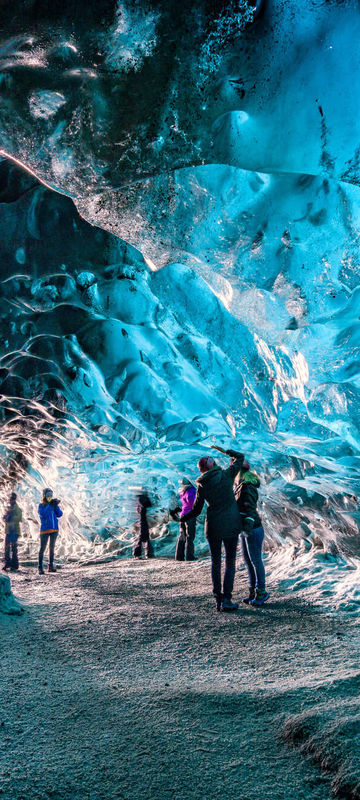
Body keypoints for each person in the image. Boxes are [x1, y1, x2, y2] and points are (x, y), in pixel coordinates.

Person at [180, 450, 244, 612]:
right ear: (209, 465)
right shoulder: (226, 475)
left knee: (216, 562)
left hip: (213, 526)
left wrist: (182, 518)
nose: (212, 458)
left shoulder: (202, 484)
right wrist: (227, 452)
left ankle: (218, 600)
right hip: (230, 524)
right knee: (230, 561)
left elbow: (196, 509)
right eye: (209, 458)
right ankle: (227, 599)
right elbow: (240, 457)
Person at [234, 461, 269, 606]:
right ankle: (253, 592)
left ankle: (261, 592)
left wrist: (247, 526)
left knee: (255, 561)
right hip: (246, 528)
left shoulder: (248, 486)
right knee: (248, 561)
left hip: (252, 528)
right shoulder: (242, 484)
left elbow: (249, 508)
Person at [170, 478, 197, 561]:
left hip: (182, 514)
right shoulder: (191, 489)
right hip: (190, 515)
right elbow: (191, 500)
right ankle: (190, 556)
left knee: (182, 535)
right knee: (190, 536)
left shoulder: (182, 490)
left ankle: (179, 556)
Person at [38, 488, 62, 575]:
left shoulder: (53, 504)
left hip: (54, 529)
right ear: (44, 496)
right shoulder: (41, 505)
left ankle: (50, 566)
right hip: (45, 530)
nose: (49, 497)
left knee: (52, 548)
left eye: (51, 496)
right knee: (42, 548)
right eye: (48, 495)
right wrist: (50, 505)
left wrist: (56, 506)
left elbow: (59, 514)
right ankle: (40, 567)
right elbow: (43, 514)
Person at [3, 492, 22, 572]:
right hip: (8, 530)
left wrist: (11, 516)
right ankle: (8, 563)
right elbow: (4, 519)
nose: (12, 500)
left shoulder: (17, 509)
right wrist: (5, 517)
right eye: (11, 499)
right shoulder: (8, 509)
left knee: (14, 548)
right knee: (7, 547)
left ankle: (14, 564)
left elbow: (19, 518)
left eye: (13, 499)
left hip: (14, 531)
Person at [133, 491, 154, 559]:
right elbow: (148, 505)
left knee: (145, 537)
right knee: (141, 537)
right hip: (142, 521)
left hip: (143, 520)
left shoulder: (140, 498)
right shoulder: (141, 498)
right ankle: (139, 554)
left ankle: (148, 553)